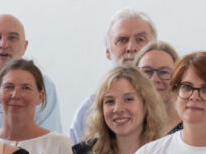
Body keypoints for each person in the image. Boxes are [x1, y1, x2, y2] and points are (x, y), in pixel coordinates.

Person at [68, 10, 161, 141]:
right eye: (122, 40)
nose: (131, 47)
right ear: (108, 51)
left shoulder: (173, 104)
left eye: (140, 39)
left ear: (154, 47)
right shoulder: (87, 112)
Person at [0, 59, 73, 154]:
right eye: (9, 87)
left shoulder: (60, 145)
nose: (15, 95)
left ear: (40, 96)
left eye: (26, 88)